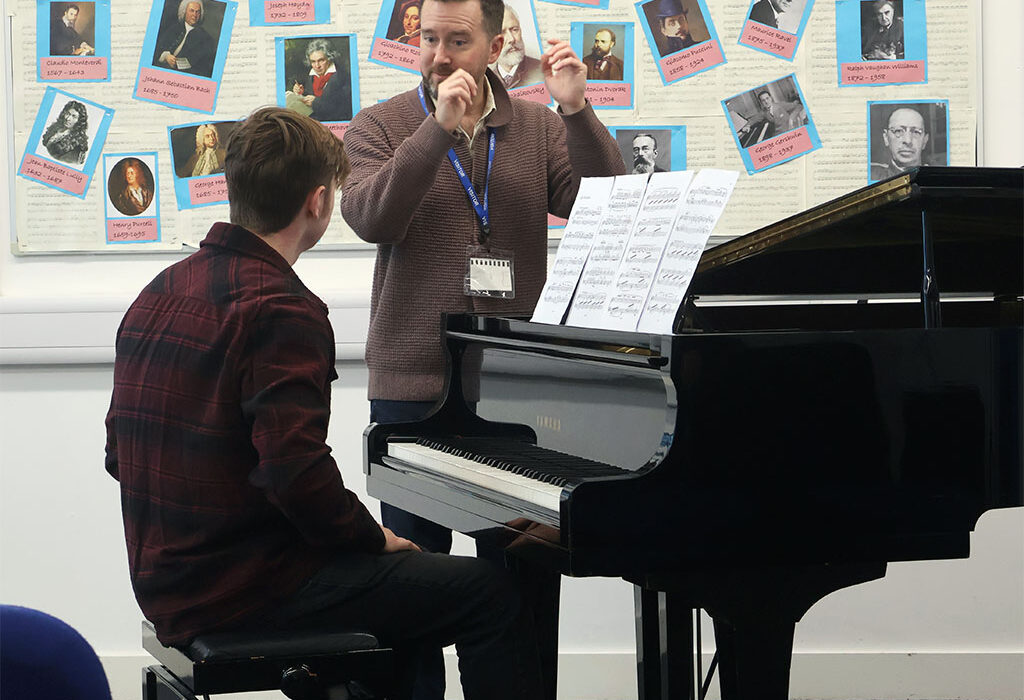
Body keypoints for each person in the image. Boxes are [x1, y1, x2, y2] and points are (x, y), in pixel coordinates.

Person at [104, 105, 544, 700]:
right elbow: (294, 474)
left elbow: (117, 454)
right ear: (317, 202)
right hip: (245, 590)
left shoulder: (160, 290)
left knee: (413, 595)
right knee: (492, 593)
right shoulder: (283, 308)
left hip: (166, 583)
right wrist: (373, 538)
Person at [339, 0, 624, 695]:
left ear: (495, 46)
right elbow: (371, 216)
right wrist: (435, 132)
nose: (441, 55)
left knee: (517, 591)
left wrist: (577, 110)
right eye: (429, 38)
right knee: (411, 591)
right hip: (414, 394)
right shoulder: (380, 125)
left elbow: (606, 199)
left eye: (458, 41)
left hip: (517, 399)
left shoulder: (532, 127)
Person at [153, 0, 217, 78]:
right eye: (192, 11)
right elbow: (157, 49)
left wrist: (175, 63)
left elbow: (200, 64)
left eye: (198, 12)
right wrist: (166, 56)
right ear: (184, 12)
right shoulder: (174, 29)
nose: (195, 15)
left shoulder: (205, 38)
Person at [489, 4, 542, 89]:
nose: (511, 39)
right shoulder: (485, 79)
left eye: (514, 30)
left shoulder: (542, 70)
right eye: (502, 33)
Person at [870, 106, 931, 180]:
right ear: (886, 138)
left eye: (916, 132)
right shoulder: (871, 175)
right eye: (898, 131)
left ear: (925, 140)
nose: (908, 141)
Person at [299, 38, 352, 122]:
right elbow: (308, 96)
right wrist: (301, 92)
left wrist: (315, 103)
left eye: (321, 60)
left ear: (329, 57)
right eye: (313, 61)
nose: (317, 65)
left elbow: (342, 109)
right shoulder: (310, 77)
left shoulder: (342, 77)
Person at [737, 89, 805, 146]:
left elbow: (799, 106)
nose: (766, 101)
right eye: (763, 100)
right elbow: (753, 119)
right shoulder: (764, 112)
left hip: (789, 133)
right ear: (761, 102)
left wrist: (791, 118)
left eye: (767, 98)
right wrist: (747, 126)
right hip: (778, 136)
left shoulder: (781, 105)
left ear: (771, 98)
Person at [41, 100, 89, 165]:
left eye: (73, 116)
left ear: (79, 121)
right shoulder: (55, 129)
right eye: (68, 114)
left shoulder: (77, 144)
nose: (68, 118)